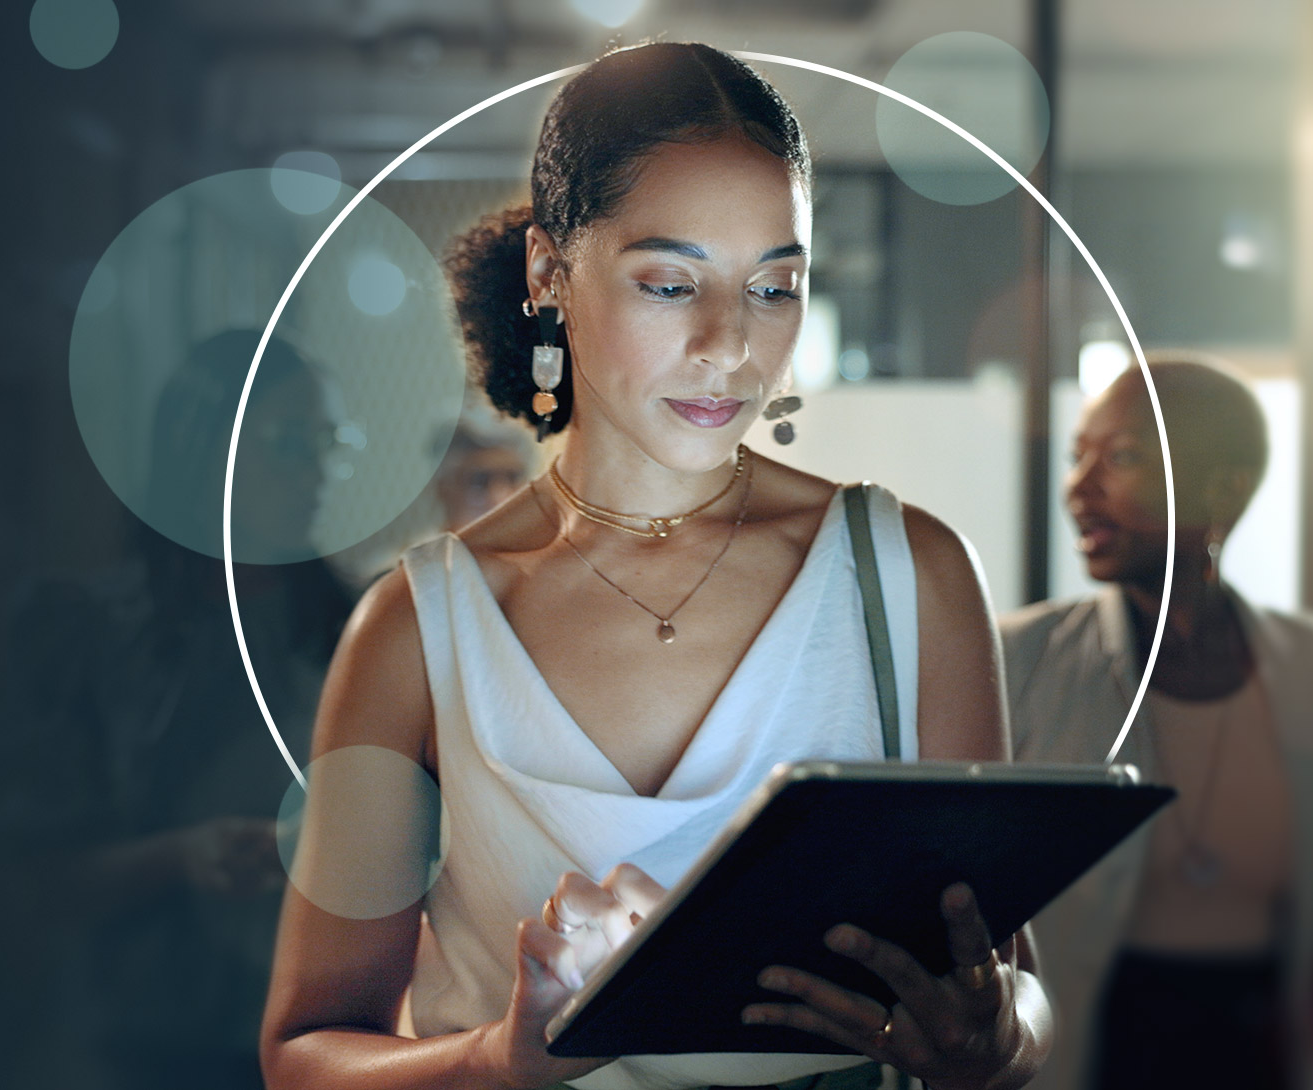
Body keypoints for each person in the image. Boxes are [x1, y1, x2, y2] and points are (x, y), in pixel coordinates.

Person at [261, 42, 1050, 1090]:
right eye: (671, 283)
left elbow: (1011, 978)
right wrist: (499, 1061)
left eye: (773, 287)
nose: (729, 344)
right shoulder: (419, 626)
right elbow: (304, 1053)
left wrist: (995, 1041)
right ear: (549, 272)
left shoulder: (909, 575)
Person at [0, 332, 355, 1090]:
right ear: (209, 452)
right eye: (290, 444)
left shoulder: (358, 627)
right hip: (135, 1045)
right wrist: (179, 857)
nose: (319, 470)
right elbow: (28, 877)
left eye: (325, 441)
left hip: (323, 1037)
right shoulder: (86, 633)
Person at [1000, 356, 1313, 1089]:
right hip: (1091, 1051)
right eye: (1078, 455)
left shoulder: (1301, 668)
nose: (1078, 487)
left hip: (1263, 1050)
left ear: (1225, 486)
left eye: (1123, 457)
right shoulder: (1019, 660)